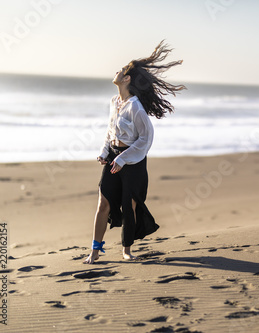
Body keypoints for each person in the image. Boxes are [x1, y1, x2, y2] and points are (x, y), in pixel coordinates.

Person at [84, 41, 185, 264]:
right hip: (113, 157)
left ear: (127, 78)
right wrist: (105, 152)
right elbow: (110, 130)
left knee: (129, 206)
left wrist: (122, 158)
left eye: (120, 70)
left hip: (133, 161)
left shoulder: (136, 107)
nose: (116, 72)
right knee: (103, 203)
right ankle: (95, 250)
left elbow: (145, 139)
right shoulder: (114, 102)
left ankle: (126, 250)